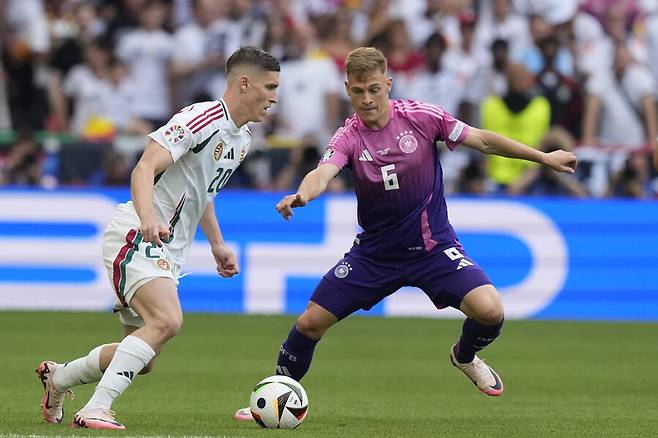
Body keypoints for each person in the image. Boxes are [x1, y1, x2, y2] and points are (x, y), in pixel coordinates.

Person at [234, 47, 576, 421]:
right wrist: (303, 194)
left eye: (374, 89)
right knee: (309, 323)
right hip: (375, 255)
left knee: (491, 311)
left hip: (433, 249)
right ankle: (272, 398)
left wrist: (543, 158)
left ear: (388, 85)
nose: (366, 99)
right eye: (358, 91)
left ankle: (464, 355)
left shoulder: (423, 117)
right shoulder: (349, 135)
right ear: (348, 89)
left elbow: (484, 140)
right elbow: (324, 171)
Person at [35, 46, 280, 430]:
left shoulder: (242, 139)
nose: (274, 97)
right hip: (136, 232)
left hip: (166, 248)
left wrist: (216, 244)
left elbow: (203, 194)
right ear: (245, 84)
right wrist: (149, 219)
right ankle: (97, 408)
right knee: (167, 320)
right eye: (269, 86)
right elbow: (144, 167)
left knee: (143, 359)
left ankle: (60, 378)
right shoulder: (201, 119)